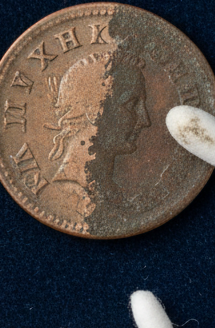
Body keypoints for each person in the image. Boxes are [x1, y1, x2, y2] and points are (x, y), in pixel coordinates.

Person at [46, 50, 150, 214]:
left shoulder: (110, 192)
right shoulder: (70, 196)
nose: (145, 120)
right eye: (131, 104)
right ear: (94, 111)